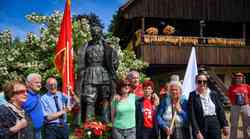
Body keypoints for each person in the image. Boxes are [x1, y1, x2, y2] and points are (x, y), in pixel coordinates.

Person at [78, 15, 119, 123]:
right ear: (91, 34)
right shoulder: (85, 46)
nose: (95, 35)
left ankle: (106, 121)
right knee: (90, 99)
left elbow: (114, 61)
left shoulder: (107, 47)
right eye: (93, 34)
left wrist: (114, 64)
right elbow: (81, 62)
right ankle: (89, 124)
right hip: (89, 74)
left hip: (103, 74)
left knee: (106, 98)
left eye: (97, 33)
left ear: (100, 34)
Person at [188, 73, 229, 139]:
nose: (202, 83)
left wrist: (225, 125)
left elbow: (220, 110)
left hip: (214, 123)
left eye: (204, 81)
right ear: (196, 82)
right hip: (201, 124)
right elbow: (192, 115)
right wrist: (197, 131)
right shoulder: (192, 95)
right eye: (199, 81)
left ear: (207, 82)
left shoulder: (213, 93)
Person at [227, 72, 250, 139]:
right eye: (237, 77)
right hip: (235, 106)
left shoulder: (247, 86)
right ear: (236, 79)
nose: (239, 78)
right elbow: (229, 96)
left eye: (240, 77)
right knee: (234, 124)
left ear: (242, 78)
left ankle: (247, 137)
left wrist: (248, 104)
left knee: (247, 124)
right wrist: (233, 103)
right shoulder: (231, 87)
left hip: (245, 106)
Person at [22, 73, 44, 139]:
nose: (39, 85)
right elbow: (25, 108)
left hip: (38, 130)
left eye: (40, 83)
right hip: (28, 131)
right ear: (28, 83)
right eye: (36, 82)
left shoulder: (37, 95)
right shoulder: (24, 95)